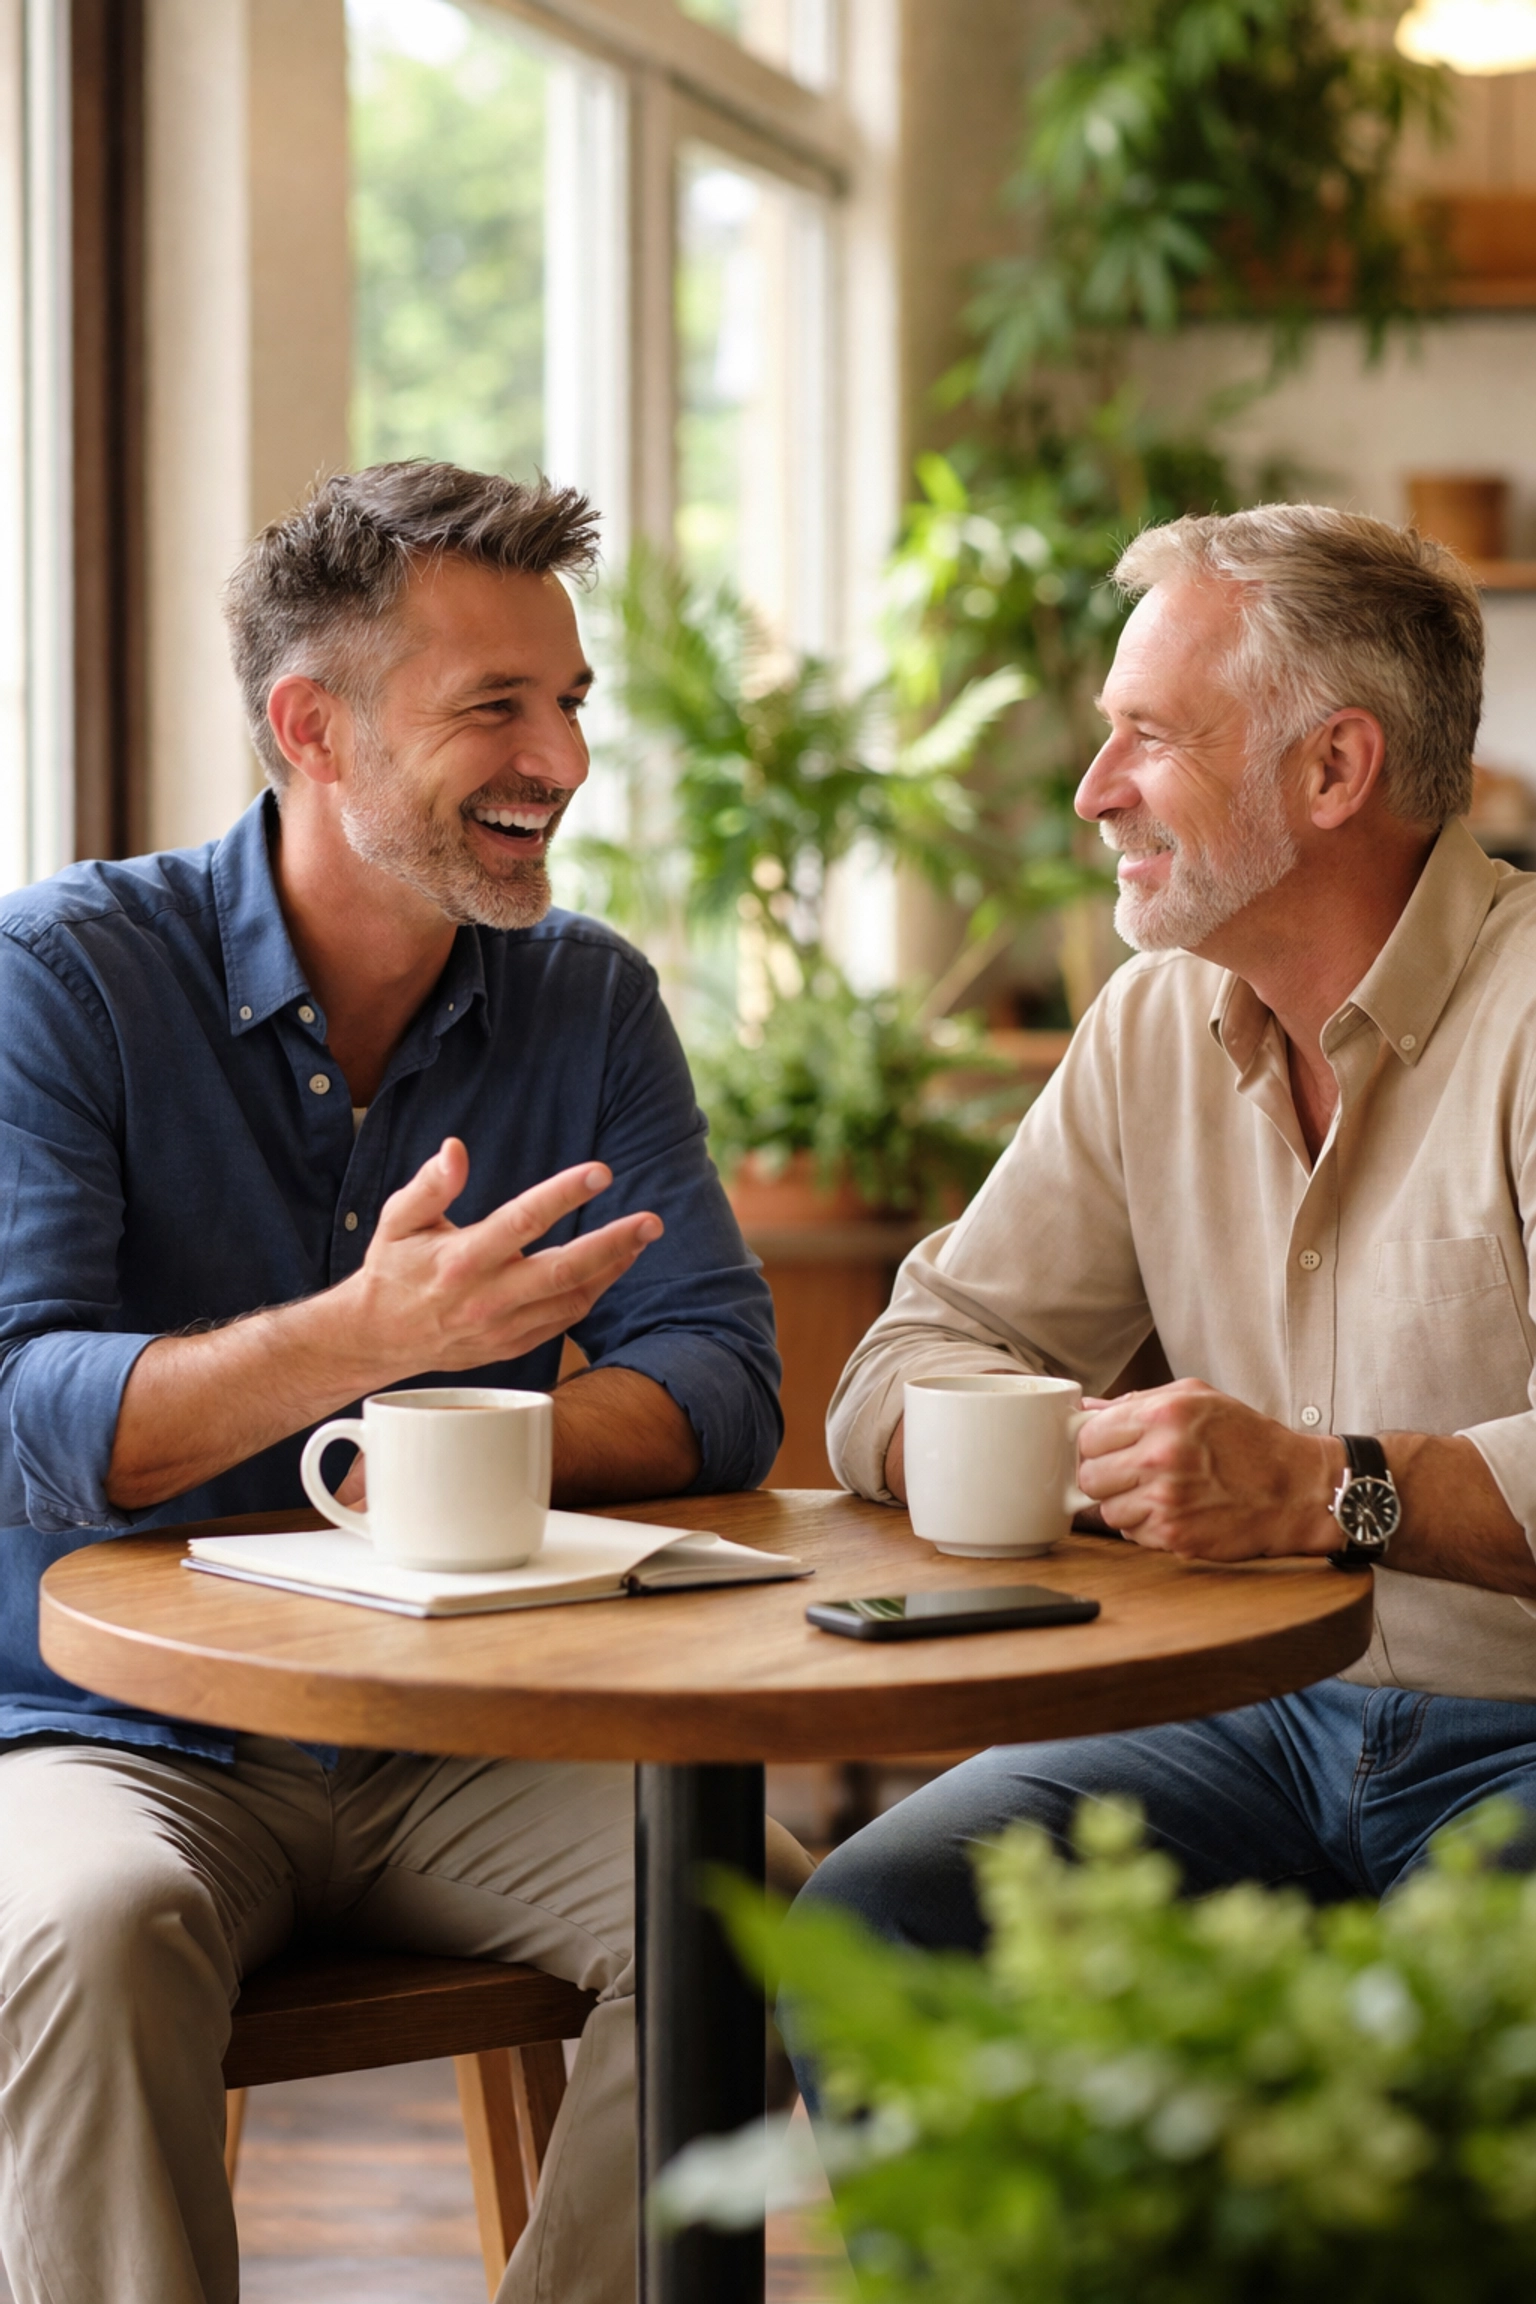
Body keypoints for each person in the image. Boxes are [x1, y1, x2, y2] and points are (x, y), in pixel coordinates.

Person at [0, 462, 786, 2304]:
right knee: (88, 1934)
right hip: (113, 1736)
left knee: (747, 1923)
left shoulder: (588, 1000)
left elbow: (725, 1378)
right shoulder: (66, 980)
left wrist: (435, 1444)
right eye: (494, 709)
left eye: (571, 702)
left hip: (465, 1725)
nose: (563, 761)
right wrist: (365, 1341)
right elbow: (26, 1411)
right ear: (312, 730)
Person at [807, 502, 1536, 1964]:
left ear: (1334, 768)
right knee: (879, 1916)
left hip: (1516, 1738)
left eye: (1150, 736)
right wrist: (1060, 1446)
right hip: (1245, 1726)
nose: (1091, 792)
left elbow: (1320, 1494)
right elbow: (902, 1364)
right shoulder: (1152, 1020)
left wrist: (1337, 1490)